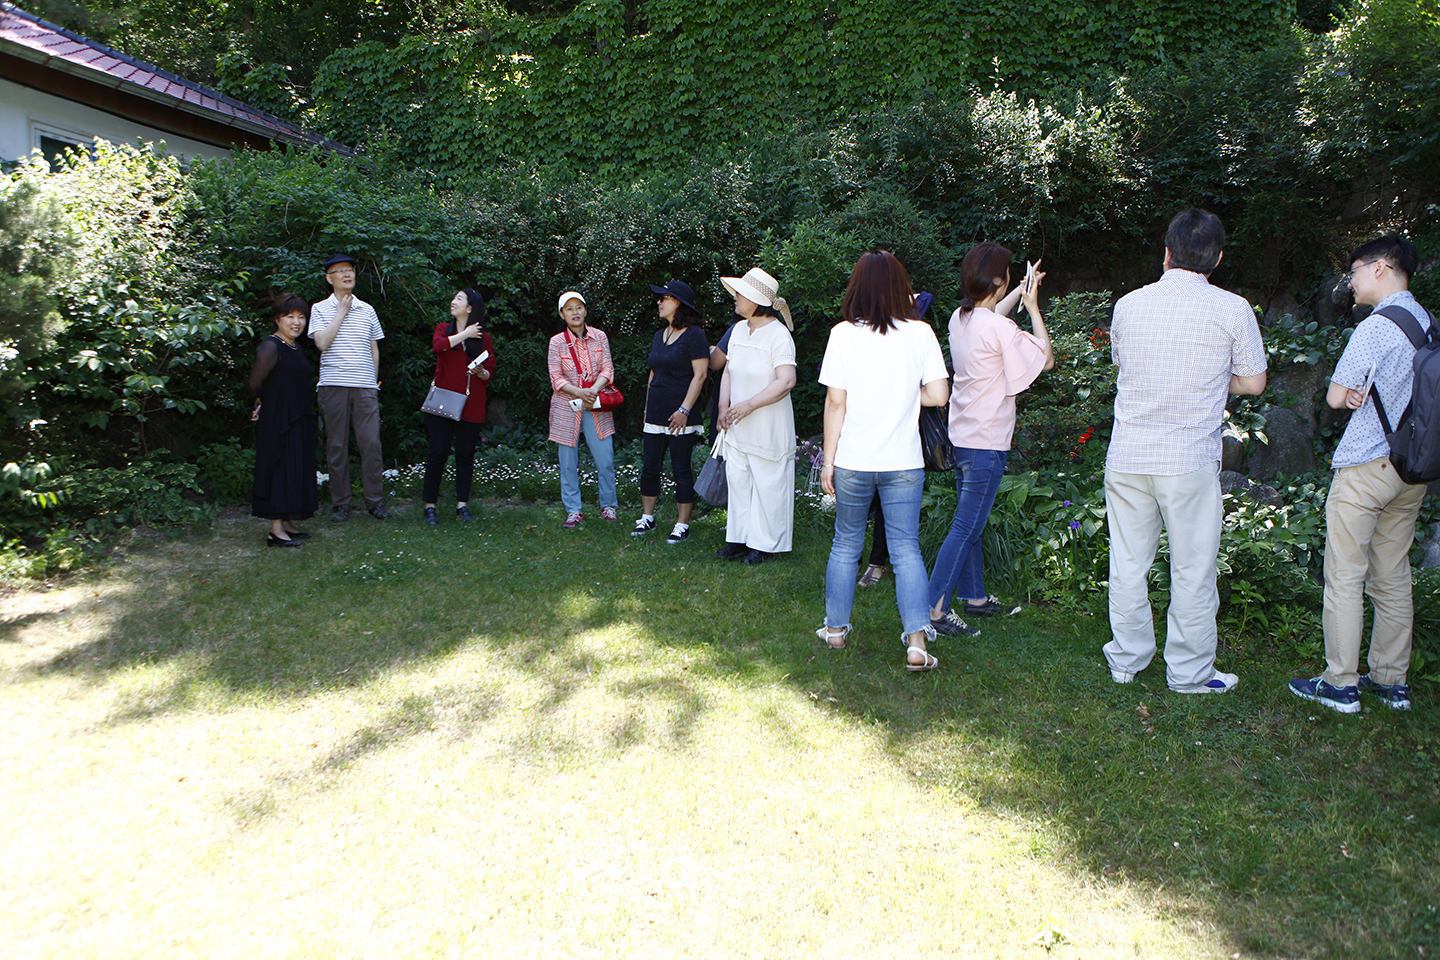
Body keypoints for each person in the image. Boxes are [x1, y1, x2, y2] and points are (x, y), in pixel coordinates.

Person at [1104, 209, 1266, 694]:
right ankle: (1190, 674)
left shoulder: (1128, 305)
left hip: (1129, 454)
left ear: (1167, 251)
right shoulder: (1233, 308)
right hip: (1188, 458)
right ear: (1217, 257)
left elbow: (1122, 363)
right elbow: (1254, 382)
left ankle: (1127, 659)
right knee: (1193, 569)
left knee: (1128, 564)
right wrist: (1218, 381)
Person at [1289, 236, 1433, 713]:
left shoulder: (1376, 327)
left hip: (1368, 466)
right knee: (1392, 575)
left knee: (1345, 575)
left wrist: (1348, 395)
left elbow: (1334, 396)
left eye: (1353, 271)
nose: (1348, 282)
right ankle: (1392, 682)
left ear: (1380, 268)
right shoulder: (1427, 323)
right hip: (1412, 468)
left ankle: (1340, 683)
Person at [817, 251, 951, 670]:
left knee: (845, 544)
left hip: (855, 460)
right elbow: (939, 395)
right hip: (904, 463)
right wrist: (908, 395)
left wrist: (828, 460)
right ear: (900, 288)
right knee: (906, 548)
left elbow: (836, 403)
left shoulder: (842, 335)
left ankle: (835, 630)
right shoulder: (920, 333)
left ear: (857, 287)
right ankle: (916, 645)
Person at [926, 244, 1053, 637]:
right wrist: (1032, 305)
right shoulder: (999, 327)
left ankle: (975, 598)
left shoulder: (960, 318)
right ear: (999, 281)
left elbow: (990, 312)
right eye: (1009, 275)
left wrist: (1018, 289)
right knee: (967, 525)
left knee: (972, 522)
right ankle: (932, 610)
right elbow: (1045, 359)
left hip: (963, 435)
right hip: (987, 442)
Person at [716, 268, 797, 564]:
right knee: (739, 483)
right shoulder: (738, 330)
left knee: (768, 484)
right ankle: (739, 539)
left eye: (740, 294)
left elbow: (786, 381)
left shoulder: (778, 335)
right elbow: (728, 370)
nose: (735, 298)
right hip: (737, 426)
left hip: (767, 426)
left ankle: (766, 545)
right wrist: (724, 408)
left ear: (755, 299)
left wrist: (749, 404)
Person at [309, 254, 389, 521]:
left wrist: (373, 383)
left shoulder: (368, 309)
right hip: (333, 385)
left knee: (371, 444)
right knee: (336, 446)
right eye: (340, 270)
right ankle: (340, 504)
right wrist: (341, 312)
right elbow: (321, 343)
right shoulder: (319, 309)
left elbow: (374, 348)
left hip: (365, 387)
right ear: (328, 278)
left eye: (350, 269)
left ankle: (375, 502)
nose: (347, 274)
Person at [633, 280, 709, 544]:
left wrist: (684, 410)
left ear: (679, 303)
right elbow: (653, 373)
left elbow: (699, 376)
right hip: (655, 413)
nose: (659, 302)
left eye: (664, 297)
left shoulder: (695, 335)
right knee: (649, 468)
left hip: (681, 416)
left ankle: (682, 524)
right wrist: (646, 408)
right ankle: (647, 517)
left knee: (681, 469)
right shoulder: (659, 335)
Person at [421, 288, 497, 525]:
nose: (453, 301)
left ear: (471, 308)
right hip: (443, 398)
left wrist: (481, 372)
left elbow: (489, 373)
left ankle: (462, 506)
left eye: (459, 299)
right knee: (438, 452)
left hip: (472, 403)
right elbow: (438, 346)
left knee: (465, 455)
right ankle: (429, 506)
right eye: (453, 297)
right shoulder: (444, 329)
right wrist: (464, 334)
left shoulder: (484, 339)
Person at [249, 293, 318, 546]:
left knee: (295, 468)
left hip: (298, 417)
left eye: (301, 317)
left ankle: (287, 521)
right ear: (277, 319)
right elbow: (255, 384)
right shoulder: (270, 346)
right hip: (278, 419)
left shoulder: (296, 347)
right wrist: (260, 402)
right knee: (278, 469)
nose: (296, 322)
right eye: (290, 316)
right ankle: (275, 530)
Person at [548, 291, 618, 528]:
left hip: (596, 403)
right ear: (562, 314)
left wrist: (593, 391)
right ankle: (573, 510)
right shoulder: (556, 342)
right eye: (569, 309)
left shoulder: (600, 337)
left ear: (585, 310)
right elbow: (556, 378)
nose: (575, 312)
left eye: (579, 307)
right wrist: (579, 392)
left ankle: (608, 506)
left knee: (605, 457)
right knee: (567, 461)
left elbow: (608, 370)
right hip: (566, 406)